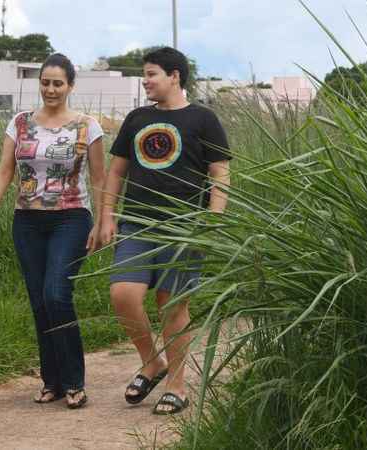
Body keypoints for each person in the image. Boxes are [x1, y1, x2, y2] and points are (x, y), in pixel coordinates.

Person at [99, 47, 231, 415]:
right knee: (123, 294)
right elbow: (115, 172)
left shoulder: (203, 119)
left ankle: (177, 384)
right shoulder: (137, 118)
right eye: (146, 74)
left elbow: (220, 175)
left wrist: (213, 222)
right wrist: (107, 216)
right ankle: (152, 362)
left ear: (175, 76)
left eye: (152, 74)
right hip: (137, 222)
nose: (146, 81)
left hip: (184, 226)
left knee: (172, 305)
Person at [0, 53, 105, 409]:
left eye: (58, 83)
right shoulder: (19, 123)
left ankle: (74, 380)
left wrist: (102, 221)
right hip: (27, 221)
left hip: (72, 218)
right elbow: (4, 171)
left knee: (56, 295)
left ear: (70, 86)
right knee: (39, 301)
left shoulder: (87, 126)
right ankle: (53, 381)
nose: (51, 89)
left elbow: (98, 178)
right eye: (45, 82)